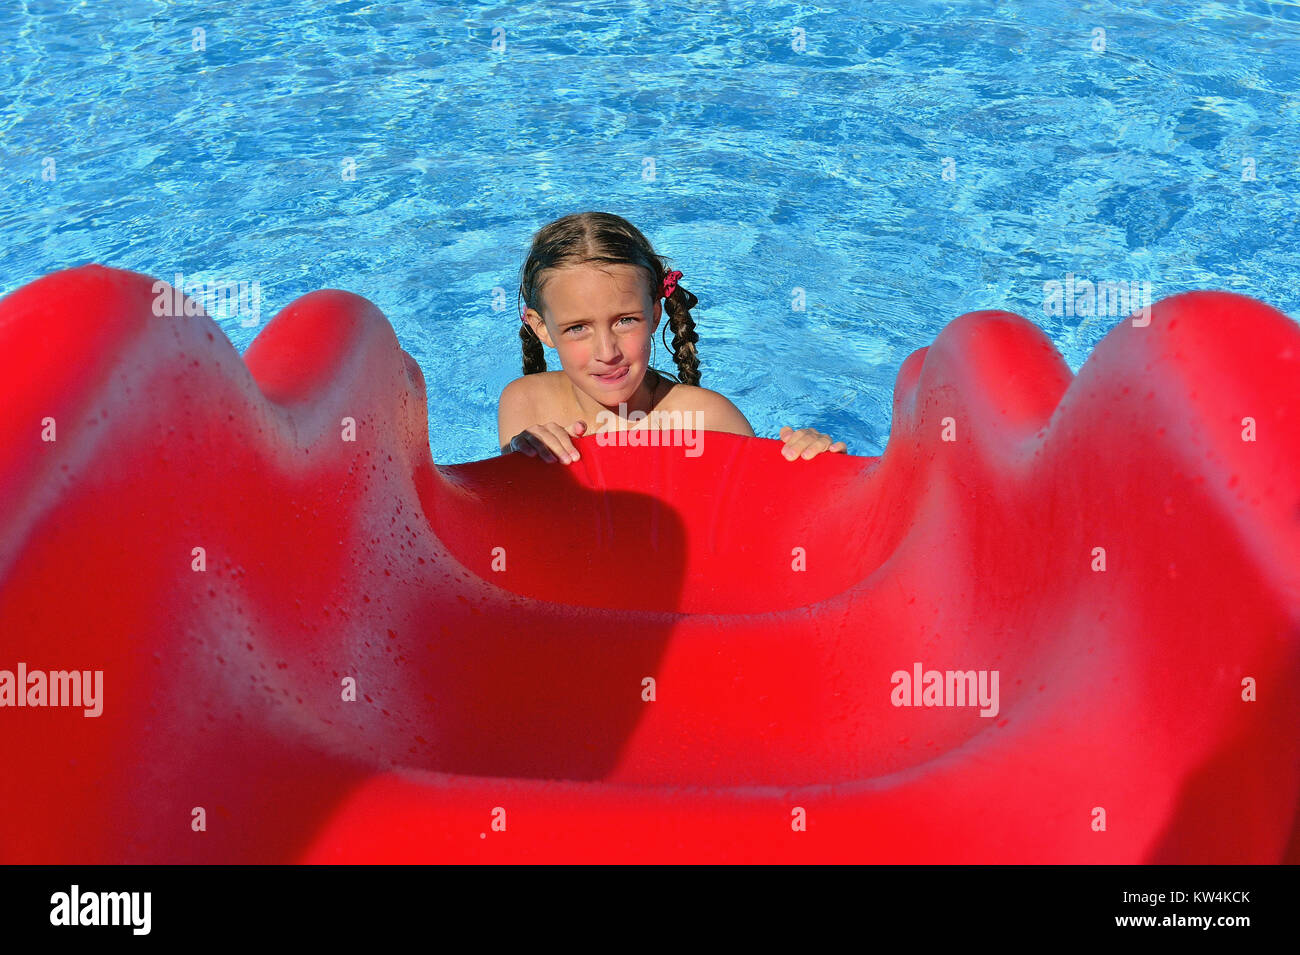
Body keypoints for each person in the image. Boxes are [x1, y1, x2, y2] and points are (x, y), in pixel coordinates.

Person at [498, 211, 847, 464]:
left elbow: (763, 519)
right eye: (578, 328)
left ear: (654, 314)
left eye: (625, 321)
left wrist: (809, 461)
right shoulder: (525, 404)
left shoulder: (710, 419)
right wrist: (520, 461)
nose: (607, 352)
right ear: (541, 328)